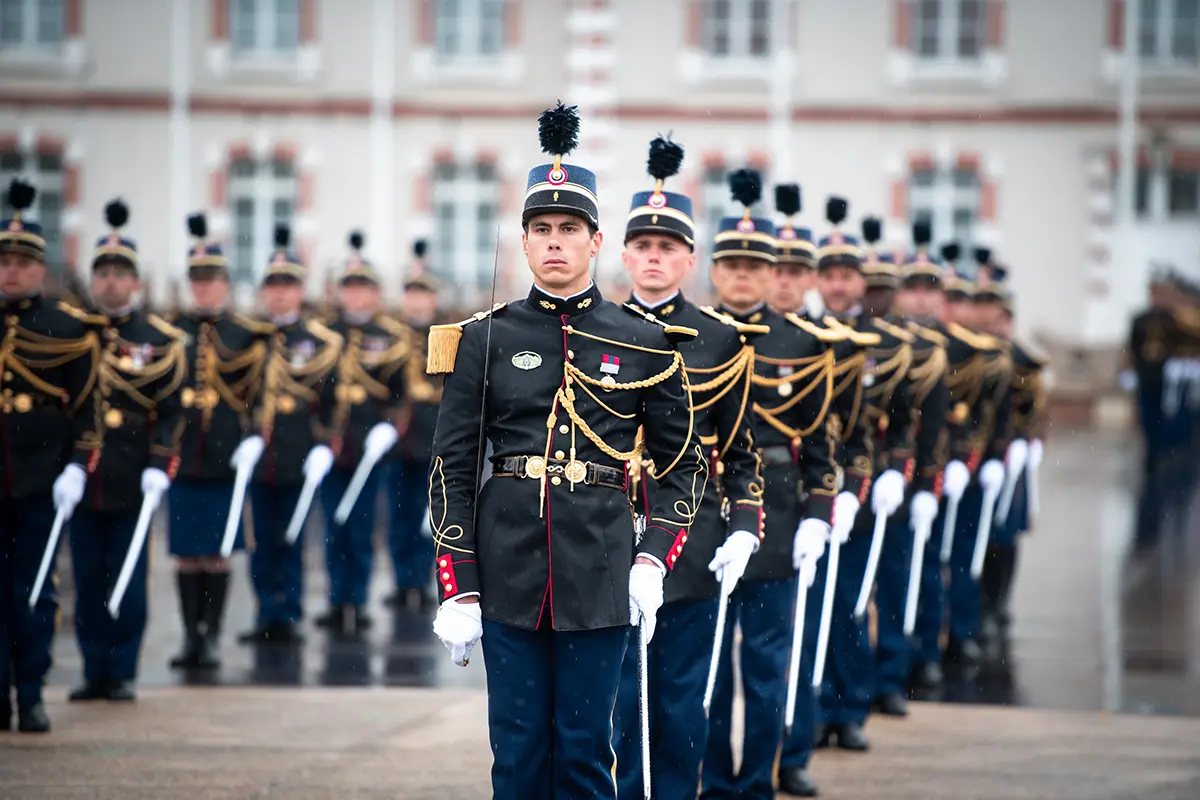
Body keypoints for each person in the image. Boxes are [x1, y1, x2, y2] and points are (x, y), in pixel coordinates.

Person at [427, 103, 708, 800]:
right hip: (507, 565)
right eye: (542, 230)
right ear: (524, 243)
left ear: (596, 241)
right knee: (517, 755)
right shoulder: (484, 338)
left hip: (602, 565)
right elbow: (449, 468)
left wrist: (653, 558)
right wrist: (457, 579)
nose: (556, 242)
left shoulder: (642, 340)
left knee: (586, 755)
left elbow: (683, 466)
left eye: (569, 230)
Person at [609, 138, 765, 800]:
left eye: (667, 247)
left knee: (679, 705)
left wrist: (746, 526)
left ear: (689, 260)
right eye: (642, 246)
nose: (653, 257)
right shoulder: (597, 330)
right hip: (609, 541)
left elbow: (741, 447)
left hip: (691, 542)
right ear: (622, 256)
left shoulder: (721, 338)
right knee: (618, 709)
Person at [698, 173, 843, 800]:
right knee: (704, 667)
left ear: (772, 272)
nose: (743, 276)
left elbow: (821, 442)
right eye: (731, 264)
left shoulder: (803, 345)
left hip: (778, 514)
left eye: (756, 266)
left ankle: (759, 781)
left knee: (764, 666)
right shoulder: (691, 335)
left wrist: (819, 511)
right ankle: (711, 780)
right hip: (703, 514)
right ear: (715, 271)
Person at [67, 199, 187, 704]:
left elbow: (173, 408)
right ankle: (93, 666)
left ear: (136, 282)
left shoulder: (157, 340)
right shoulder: (70, 333)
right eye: (104, 273)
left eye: (121, 273)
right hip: (79, 478)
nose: (112, 282)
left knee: (129, 578)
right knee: (86, 577)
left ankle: (121, 669)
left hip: (133, 475)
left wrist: (161, 463)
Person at [0, 178, 104, 732]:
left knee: (35, 588)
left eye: (22, 261)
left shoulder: (66, 330)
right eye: (5, 260)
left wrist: (74, 467)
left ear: (41, 269)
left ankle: (31, 689)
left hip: (42, 480)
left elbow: (89, 410)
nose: (12, 271)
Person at [165, 212, 273, 671]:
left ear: (225, 283)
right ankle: (190, 636)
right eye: (198, 280)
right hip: (183, 456)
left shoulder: (244, 333)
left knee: (219, 552)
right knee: (187, 555)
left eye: (212, 280)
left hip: (227, 456)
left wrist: (255, 438)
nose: (205, 287)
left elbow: (263, 395)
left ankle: (211, 635)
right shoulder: (174, 331)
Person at [238, 225, 342, 645]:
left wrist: (325, 446)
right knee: (260, 541)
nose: (280, 294)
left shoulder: (320, 343)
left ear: (300, 291)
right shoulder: (248, 339)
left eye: (288, 286)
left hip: (300, 454)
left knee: (294, 537)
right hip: (261, 458)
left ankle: (291, 612)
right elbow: (241, 396)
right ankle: (266, 611)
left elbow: (333, 402)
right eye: (273, 286)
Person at [317, 231, 413, 636]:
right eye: (349, 289)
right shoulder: (321, 335)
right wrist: (317, 438)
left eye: (363, 289)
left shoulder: (390, 337)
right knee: (330, 528)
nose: (356, 297)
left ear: (374, 294)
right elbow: (313, 394)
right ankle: (336, 600)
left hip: (368, 451)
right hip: (330, 448)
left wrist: (389, 429)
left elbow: (401, 395)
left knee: (360, 528)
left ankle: (355, 600)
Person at [872, 221, 950, 716]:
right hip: (865, 477)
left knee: (902, 578)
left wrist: (927, 484)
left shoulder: (933, 349)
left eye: (929, 289)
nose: (919, 299)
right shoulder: (880, 340)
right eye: (911, 289)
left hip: (902, 479)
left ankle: (895, 673)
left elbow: (936, 426)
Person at [385, 244, 443, 611]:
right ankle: (402, 580)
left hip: (434, 440)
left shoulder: (447, 335)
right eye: (411, 293)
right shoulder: (390, 337)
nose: (417, 301)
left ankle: (422, 582)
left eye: (423, 293)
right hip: (400, 441)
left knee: (431, 518)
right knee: (399, 516)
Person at [769, 184, 816, 315]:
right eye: (777, 272)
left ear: (812, 280)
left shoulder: (827, 334)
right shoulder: (746, 333)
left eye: (795, 273)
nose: (784, 282)